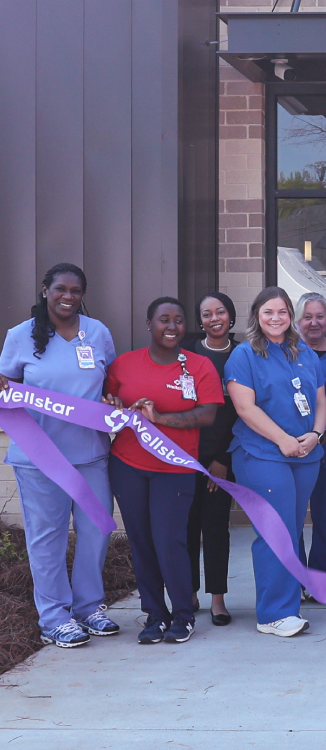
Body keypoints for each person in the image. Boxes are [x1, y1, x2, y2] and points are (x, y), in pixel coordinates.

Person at [0, 264, 120, 648]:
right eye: (61, 289)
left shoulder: (97, 332)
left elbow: (109, 382)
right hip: (40, 457)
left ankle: (89, 608)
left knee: (96, 531)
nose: (68, 296)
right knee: (46, 539)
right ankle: (54, 618)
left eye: (76, 290)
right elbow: (6, 387)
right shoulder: (19, 336)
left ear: (84, 294)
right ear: (45, 290)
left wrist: (111, 400)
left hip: (90, 453)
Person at [104, 296, 223, 644]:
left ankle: (183, 616)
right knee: (141, 542)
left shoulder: (199, 366)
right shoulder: (124, 364)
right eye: (163, 320)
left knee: (169, 541)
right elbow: (107, 402)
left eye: (178, 320)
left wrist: (160, 419)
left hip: (175, 467)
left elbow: (208, 415)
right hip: (128, 465)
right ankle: (154, 615)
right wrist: (113, 405)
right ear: (148, 324)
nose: (172, 327)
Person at [224, 287, 326, 637]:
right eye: (268, 312)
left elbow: (320, 400)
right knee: (276, 532)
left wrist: (316, 433)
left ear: (291, 316)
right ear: (256, 315)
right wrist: (282, 439)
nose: (276, 318)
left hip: (305, 453)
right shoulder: (244, 355)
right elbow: (245, 408)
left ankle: (287, 606)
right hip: (262, 454)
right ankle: (273, 614)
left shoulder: (305, 354)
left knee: (292, 529)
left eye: (282, 312)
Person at [183, 291, 240, 626]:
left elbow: (244, 413)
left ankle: (218, 598)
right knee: (187, 527)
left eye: (220, 312)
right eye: (206, 314)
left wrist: (223, 459)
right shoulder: (187, 354)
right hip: (185, 457)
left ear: (230, 317)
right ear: (200, 320)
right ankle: (189, 592)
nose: (214, 318)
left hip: (222, 460)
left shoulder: (243, 354)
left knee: (216, 527)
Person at [294, 293, 326, 581]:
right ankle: (297, 578)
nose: (314, 323)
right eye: (307, 317)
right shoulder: (288, 353)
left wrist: (324, 434)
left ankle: (322, 577)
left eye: (320, 316)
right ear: (297, 321)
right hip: (293, 445)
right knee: (294, 515)